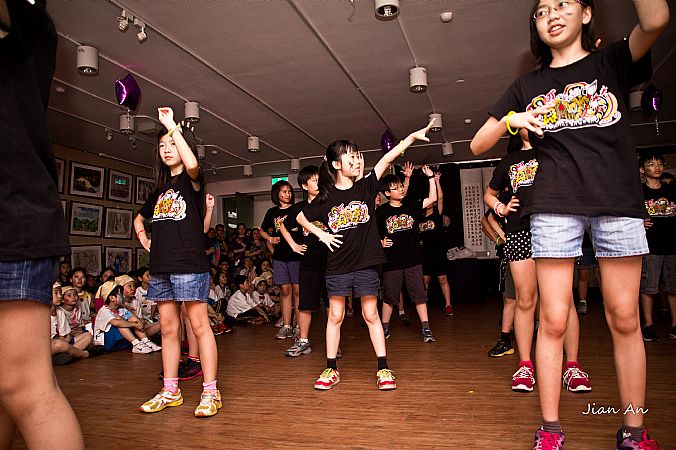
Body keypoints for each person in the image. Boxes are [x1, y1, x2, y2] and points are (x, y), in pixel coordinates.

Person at [470, 1, 669, 447]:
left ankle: (634, 431)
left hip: (616, 200)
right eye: (542, 10)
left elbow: (656, 19)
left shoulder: (611, 61)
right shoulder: (527, 85)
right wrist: (511, 119)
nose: (552, 14)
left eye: (563, 4)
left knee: (625, 318)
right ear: (535, 25)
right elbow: (478, 143)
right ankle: (550, 429)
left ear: (587, 13)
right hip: (554, 207)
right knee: (554, 319)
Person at [297, 119, 435, 391]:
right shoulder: (326, 196)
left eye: (357, 155)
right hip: (337, 265)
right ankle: (331, 369)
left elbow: (388, 157)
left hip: (366, 263)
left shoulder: (367, 186)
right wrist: (322, 235)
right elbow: (301, 217)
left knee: (371, 314)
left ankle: (383, 368)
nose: (356, 160)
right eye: (350, 156)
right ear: (336, 164)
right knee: (335, 316)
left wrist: (411, 138)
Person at [484, 129, 591, 394]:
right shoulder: (510, 161)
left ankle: (572, 366)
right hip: (520, 230)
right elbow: (489, 194)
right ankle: (525, 366)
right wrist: (500, 208)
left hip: (556, 227)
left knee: (563, 299)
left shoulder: (557, 149)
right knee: (525, 299)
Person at [135, 107, 221, 417]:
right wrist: (145, 239)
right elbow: (138, 219)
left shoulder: (192, 180)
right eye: (162, 145)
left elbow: (193, 163)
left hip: (188, 264)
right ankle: (170, 390)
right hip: (161, 267)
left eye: (172, 143)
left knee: (199, 326)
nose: (167, 149)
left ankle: (210, 392)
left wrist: (172, 125)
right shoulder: (160, 189)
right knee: (170, 329)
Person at [376, 166, 438, 343]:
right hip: (392, 262)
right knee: (389, 298)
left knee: (419, 296)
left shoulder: (411, 206)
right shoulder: (381, 212)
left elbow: (433, 198)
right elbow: (370, 234)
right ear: (387, 193)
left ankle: (426, 329)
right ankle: (384, 328)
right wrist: (380, 242)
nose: (401, 189)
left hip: (413, 261)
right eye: (395, 188)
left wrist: (431, 178)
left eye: (401, 186)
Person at [279, 165, 327, 357]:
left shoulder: (329, 203)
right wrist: (294, 245)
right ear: (304, 185)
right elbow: (283, 227)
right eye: (314, 180)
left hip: (332, 262)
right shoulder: (299, 208)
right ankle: (303, 342)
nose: (318, 183)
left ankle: (334, 343)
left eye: (320, 180)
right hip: (308, 262)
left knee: (333, 304)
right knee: (305, 304)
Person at [638, 151, 675, 341]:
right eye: (651, 164)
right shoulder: (639, 192)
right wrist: (639, 222)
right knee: (649, 286)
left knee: (673, 286)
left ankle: (675, 324)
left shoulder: (671, 190)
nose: (657, 167)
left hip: (672, 244)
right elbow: (629, 216)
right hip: (650, 245)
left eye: (660, 164)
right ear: (642, 169)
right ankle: (648, 325)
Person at [259, 180, 302, 340]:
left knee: (297, 290)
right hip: (280, 257)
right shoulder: (272, 212)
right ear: (277, 194)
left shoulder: (297, 209)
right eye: (284, 191)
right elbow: (261, 230)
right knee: (285, 290)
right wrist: (270, 239)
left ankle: (299, 326)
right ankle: (287, 325)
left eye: (289, 191)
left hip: (297, 255)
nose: (288, 194)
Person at [418, 170, 454, 316]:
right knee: (425, 280)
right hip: (425, 253)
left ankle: (448, 305)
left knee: (442, 279)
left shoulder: (437, 215)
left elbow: (440, 198)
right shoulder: (419, 217)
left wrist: (437, 180)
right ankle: (423, 306)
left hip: (438, 251)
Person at [92, 281, 156, 354]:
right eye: (120, 295)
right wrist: (134, 324)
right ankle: (136, 344)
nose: (123, 296)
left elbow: (133, 318)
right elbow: (116, 323)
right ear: (112, 298)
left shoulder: (121, 309)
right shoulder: (104, 310)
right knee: (120, 322)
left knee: (128, 321)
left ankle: (146, 341)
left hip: (118, 343)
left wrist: (137, 323)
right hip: (105, 343)